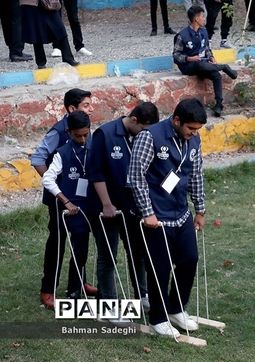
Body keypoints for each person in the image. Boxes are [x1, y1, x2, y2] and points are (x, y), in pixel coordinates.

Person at [128, 98, 207, 338]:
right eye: (189, 129)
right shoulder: (149, 136)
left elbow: (196, 172)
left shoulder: (193, 140)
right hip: (156, 215)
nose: (193, 134)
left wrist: (200, 209)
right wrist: (147, 212)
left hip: (181, 212)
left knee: (189, 259)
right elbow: (135, 176)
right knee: (160, 268)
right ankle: (158, 318)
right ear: (176, 120)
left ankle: (176, 308)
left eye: (197, 130)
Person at [88, 102, 160, 313]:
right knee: (108, 255)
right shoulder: (105, 134)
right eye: (144, 130)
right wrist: (106, 204)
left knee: (137, 252)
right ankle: (109, 304)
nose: (146, 135)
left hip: (132, 207)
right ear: (135, 120)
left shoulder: (143, 136)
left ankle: (142, 295)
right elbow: (95, 172)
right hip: (107, 207)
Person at [32, 88, 95, 309]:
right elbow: (37, 158)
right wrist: (58, 188)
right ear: (71, 108)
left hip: (81, 198)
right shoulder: (57, 132)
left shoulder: (85, 128)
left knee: (81, 239)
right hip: (59, 200)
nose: (91, 108)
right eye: (86, 105)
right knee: (57, 243)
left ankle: (78, 283)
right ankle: (48, 289)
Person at [173, 6, 238, 117]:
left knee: (216, 75)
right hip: (188, 66)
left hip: (204, 64)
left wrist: (211, 58)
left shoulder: (204, 31)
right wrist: (189, 58)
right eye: (203, 16)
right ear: (196, 19)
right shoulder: (182, 35)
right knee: (199, 64)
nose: (204, 19)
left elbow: (207, 48)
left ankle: (218, 104)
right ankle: (224, 67)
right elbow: (176, 56)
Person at [19, 0, 79, 68]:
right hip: (31, 4)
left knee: (60, 29)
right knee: (36, 31)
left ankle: (68, 58)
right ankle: (41, 62)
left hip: (48, 2)